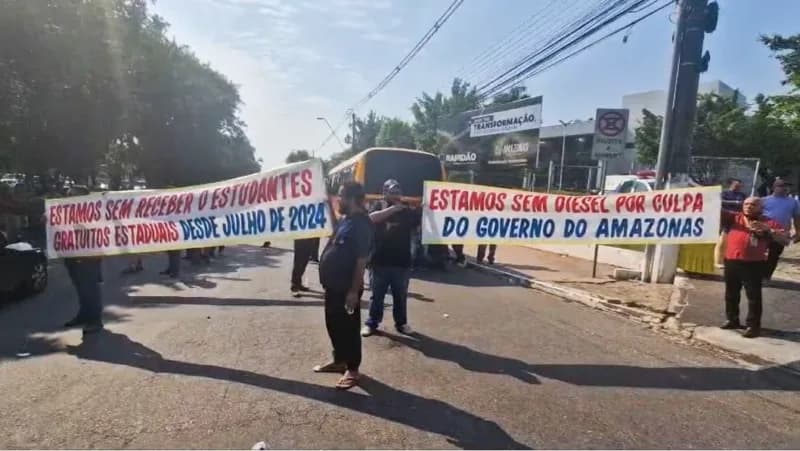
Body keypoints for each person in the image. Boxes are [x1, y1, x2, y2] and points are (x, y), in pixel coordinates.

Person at [315, 181, 372, 390]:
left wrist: (353, 291)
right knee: (334, 325)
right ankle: (339, 360)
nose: (338, 199)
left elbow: (361, 261)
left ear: (352, 199)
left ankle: (353, 370)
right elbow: (335, 226)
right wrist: (327, 207)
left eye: (340, 196)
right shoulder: (347, 219)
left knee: (349, 329)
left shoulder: (361, 225)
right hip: (333, 286)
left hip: (346, 288)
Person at [720, 196, 788, 338]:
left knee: (754, 297)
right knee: (731, 294)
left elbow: (785, 240)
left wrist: (769, 230)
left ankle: (753, 326)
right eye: (746, 204)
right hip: (732, 261)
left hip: (754, 264)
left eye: (753, 204)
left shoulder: (769, 222)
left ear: (761, 208)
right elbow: (715, 210)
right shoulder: (734, 218)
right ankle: (732, 320)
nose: (749, 206)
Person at [362, 180, 419, 337]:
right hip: (379, 260)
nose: (395, 195)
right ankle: (372, 323)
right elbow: (371, 218)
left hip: (401, 262)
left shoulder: (407, 210)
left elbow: (420, 223)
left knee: (400, 296)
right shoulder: (378, 205)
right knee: (377, 295)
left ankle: (401, 323)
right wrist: (393, 209)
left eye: (398, 192)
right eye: (392, 192)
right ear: (385, 193)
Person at [61, 186, 104, 334]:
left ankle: (95, 320)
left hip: (88, 256)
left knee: (90, 288)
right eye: (68, 195)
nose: (69, 198)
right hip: (71, 254)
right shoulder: (65, 211)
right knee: (80, 287)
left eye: (73, 195)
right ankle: (84, 315)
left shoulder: (94, 213)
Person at [761, 178, 800, 281]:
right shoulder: (764, 200)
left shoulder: (793, 202)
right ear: (774, 187)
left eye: (787, 186)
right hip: (764, 232)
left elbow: (796, 218)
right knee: (759, 253)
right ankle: (755, 274)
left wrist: (798, 232)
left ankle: (766, 276)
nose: (785, 188)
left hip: (781, 234)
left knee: (774, 255)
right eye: (781, 186)